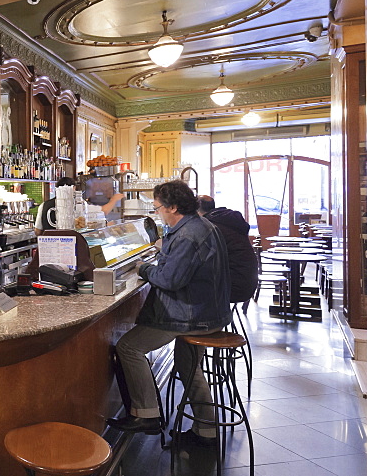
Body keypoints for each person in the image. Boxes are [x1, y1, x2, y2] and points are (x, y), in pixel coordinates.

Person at [107, 180, 231, 446]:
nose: (158, 212)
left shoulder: (187, 235)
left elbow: (170, 280)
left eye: (159, 208)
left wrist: (143, 269)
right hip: (210, 311)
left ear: (173, 207)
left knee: (128, 347)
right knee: (189, 366)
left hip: (190, 314)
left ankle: (146, 415)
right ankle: (207, 432)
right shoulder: (201, 226)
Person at [197, 195, 258, 304]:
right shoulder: (224, 219)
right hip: (247, 281)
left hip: (234, 286)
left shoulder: (210, 226)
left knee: (185, 287)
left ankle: (202, 320)